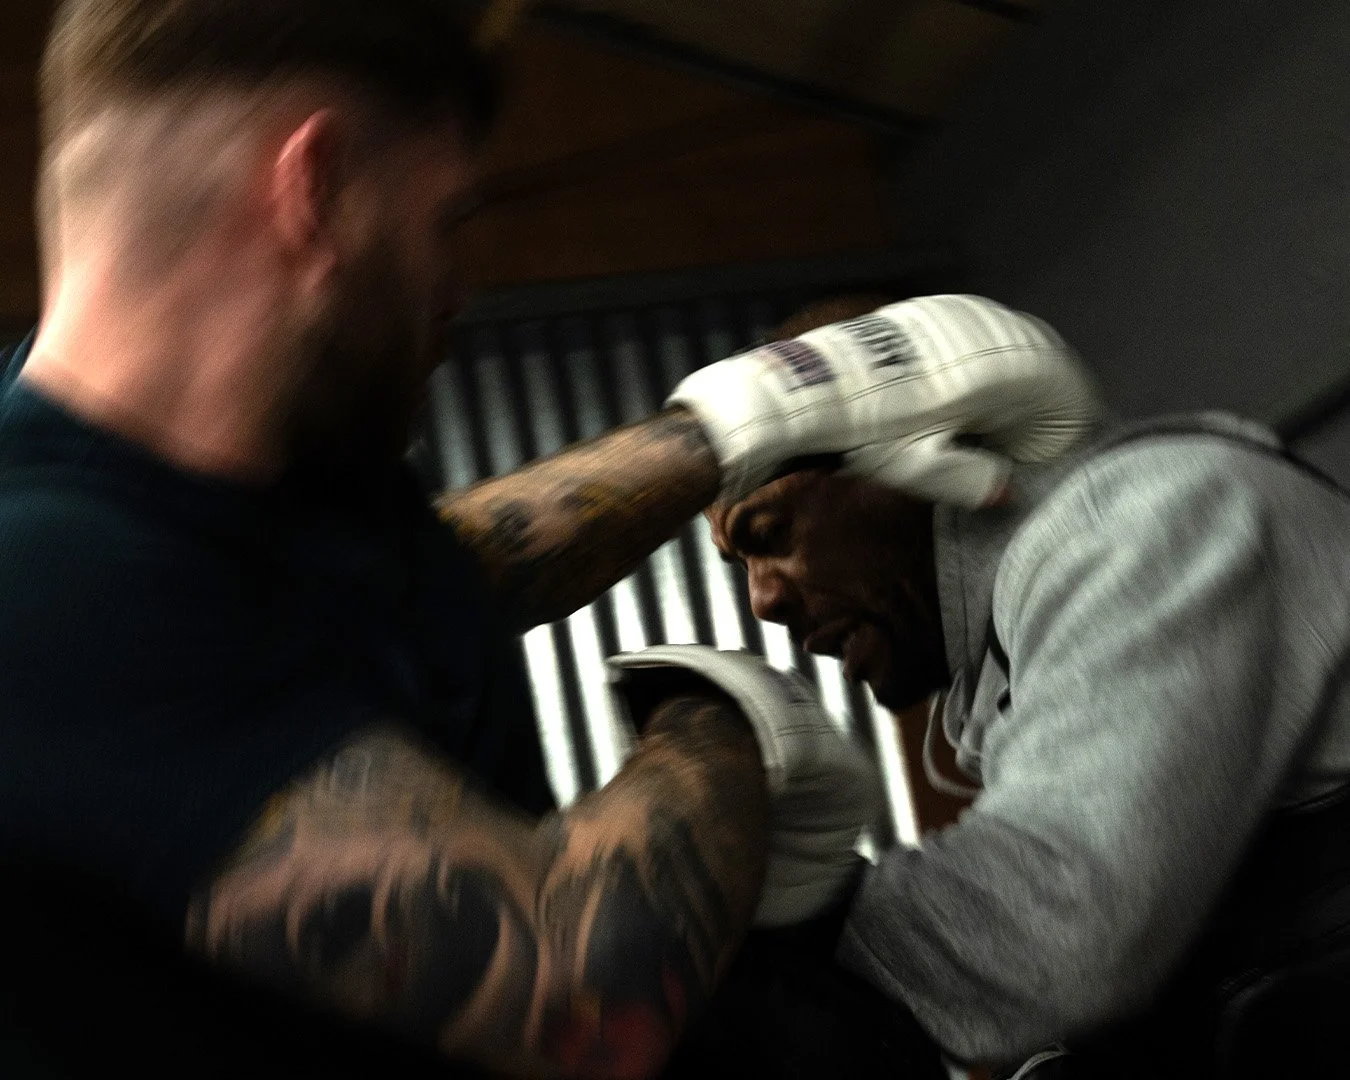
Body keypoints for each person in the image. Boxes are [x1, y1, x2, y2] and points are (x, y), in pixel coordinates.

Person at [0, 2, 1100, 1077]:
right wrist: (722, 725)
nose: (457, 287)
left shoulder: (263, 479)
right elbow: (584, 998)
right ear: (316, 188)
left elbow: (381, 586)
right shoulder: (37, 583)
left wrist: (744, 418)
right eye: (446, 225)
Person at [707, 298, 1350, 1079]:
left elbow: (1052, 938)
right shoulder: (1011, 645)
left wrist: (768, 917)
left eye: (769, 537)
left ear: (908, 455)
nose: (763, 601)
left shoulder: (1150, 517)